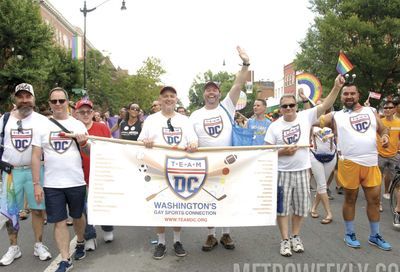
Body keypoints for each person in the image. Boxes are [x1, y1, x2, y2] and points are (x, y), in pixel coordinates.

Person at [264, 75, 344, 257]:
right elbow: (267, 153)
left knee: (300, 208)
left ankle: (295, 236)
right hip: (282, 172)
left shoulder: (305, 116)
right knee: (282, 209)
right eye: (284, 106)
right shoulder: (273, 127)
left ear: (296, 106)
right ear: (280, 109)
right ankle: (284, 240)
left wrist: (336, 87)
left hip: (302, 171)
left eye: (291, 105)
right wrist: (283, 152)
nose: (288, 109)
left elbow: (325, 105)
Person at [189, 46, 250, 252]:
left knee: (227, 196)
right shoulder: (195, 115)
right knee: (208, 198)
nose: (211, 92)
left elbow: (239, 82)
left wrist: (245, 63)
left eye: (214, 89)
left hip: (227, 161)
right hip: (205, 163)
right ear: (204, 93)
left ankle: (226, 233)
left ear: (219, 93)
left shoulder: (227, 106)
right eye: (208, 89)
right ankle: (210, 235)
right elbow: (190, 138)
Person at [323, 83, 392, 251]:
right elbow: (313, 120)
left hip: (371, 162)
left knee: (374, 200)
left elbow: (384, 129)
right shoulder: (335, 115)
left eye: (352, 93)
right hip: (349, 163)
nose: (349, 96)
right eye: (345, 94)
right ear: (341, 97)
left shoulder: (371, 111)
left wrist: (384, 137)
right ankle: (350, 233)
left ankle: (374, 235)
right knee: (350, 199)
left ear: (358, 95)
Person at [31, 87, 89, 272]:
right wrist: (36, 184)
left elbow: (89, 152)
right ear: (49, 103)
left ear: (67, 102)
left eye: (61, 101)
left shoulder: (78, 124)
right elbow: (35, 156)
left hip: (75, 181)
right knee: (59, 221)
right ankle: (65, 259)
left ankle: (80, 241)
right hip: (52, 184)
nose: (57, 104)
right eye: (54, 101)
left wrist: (83, 143)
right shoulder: (42, 127)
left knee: (78, 216)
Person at [138, 86, 198, 260]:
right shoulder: (151, 120)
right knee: (160, 207)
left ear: (176, 99)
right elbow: (140, 139)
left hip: (180, 169)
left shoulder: (184, 120)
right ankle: (162, 242)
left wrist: (193, 144)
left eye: (172, 96)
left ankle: (177, 241)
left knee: (177, 207)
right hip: (158, 170)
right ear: (160, 99)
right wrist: (145, 141)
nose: (169, 99)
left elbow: (193, 139)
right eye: (165, 96)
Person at [0, 83, 52, 266]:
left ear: (34, 98)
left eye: (27, 96)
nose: (24, 100)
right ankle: (14, 247)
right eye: (20, 97)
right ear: (15, 99)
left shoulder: (42, 120)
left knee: (38, 209)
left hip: (35, 172)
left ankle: (39, 244)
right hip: (11, 173)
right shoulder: (4, 119)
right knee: (11, 212)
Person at [74, 98, 115, 251]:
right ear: (76, 114)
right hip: (79, 174)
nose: (85, 114)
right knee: (84, 207)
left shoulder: (102, 128)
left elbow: (111, 147)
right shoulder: (73, 128)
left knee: (102, 204)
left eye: (88, 111)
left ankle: (107, 226)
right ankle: (89, 235)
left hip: (99, 173)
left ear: (92, 113)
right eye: (82, 112)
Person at [377, 100, 400, 204]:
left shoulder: (399, 122)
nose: (387, 110)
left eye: (390, 108)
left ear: (395, 109)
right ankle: (378, 203)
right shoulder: (380, 122)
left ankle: (397, 207)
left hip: (394, 156)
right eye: (385, 108)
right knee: (377, 181)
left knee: (396, 181)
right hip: (379, 155)